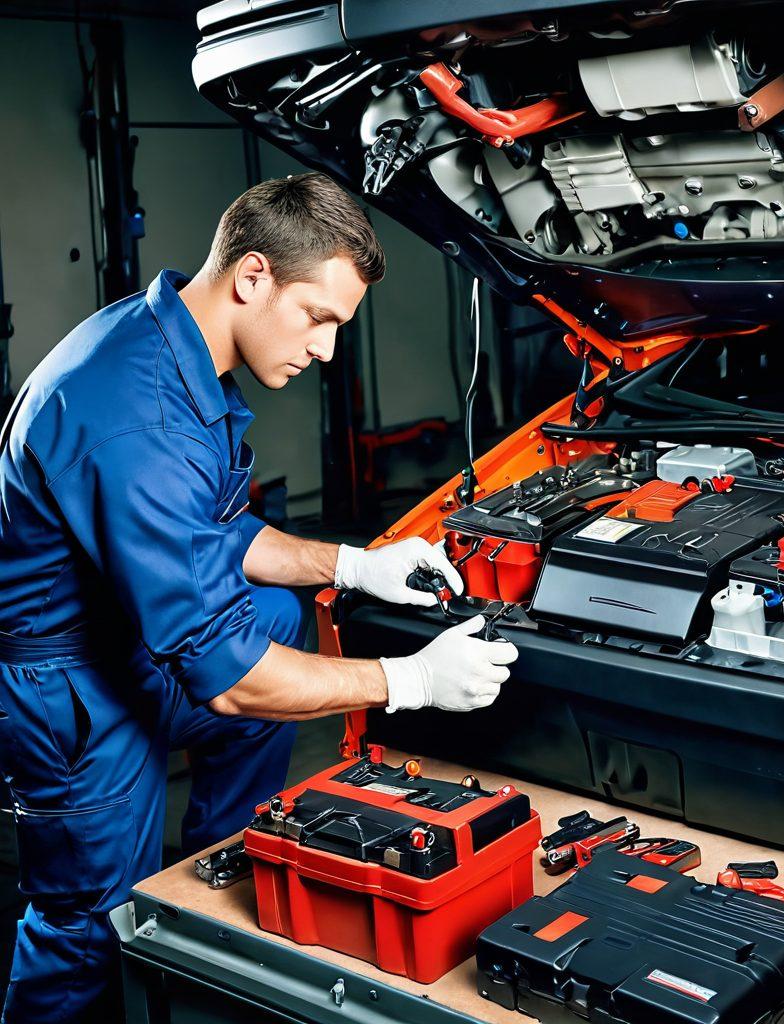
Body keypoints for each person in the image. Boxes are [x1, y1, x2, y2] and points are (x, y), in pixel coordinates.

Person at [0, 172, 516, 1023]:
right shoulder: (136, 413)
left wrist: (353, 564)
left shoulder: (175, 345)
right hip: (66, 694)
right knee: (84, 929)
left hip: (121, 644)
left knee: (280, 613)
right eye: (319, 318)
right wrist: (411, 681)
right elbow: (232, 680)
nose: (325, 350)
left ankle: (223, 880)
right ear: (252, 277)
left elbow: (217, 534)